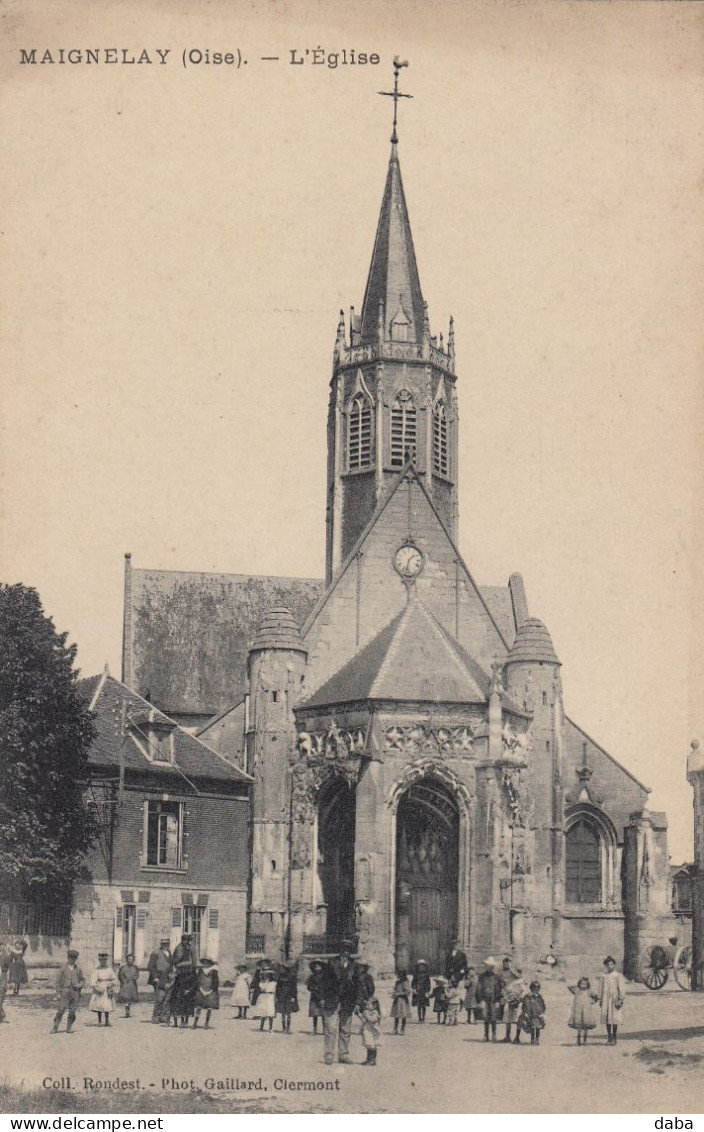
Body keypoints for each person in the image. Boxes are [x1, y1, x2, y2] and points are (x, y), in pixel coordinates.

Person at [321, 939, 363, 1065]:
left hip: (348, 1001)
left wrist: (358, 1002)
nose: (345, 952)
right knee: (330, 1028)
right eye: (343, 949)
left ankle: (343, 1055)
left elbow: (359, 985)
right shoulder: (331, 963)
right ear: (339, 950)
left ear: (351, 952)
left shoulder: (355, 966)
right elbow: (324, 982)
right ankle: (329, 1055)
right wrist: (323, 998)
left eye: (348, 950)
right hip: (332, 1000)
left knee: (345, 1029)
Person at [52, 949, 85, 1034]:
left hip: (75, 992)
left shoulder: (78, 969)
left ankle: (69, 1027)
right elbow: (58, 981)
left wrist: (80, 985)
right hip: (65, 991)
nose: (72, 960)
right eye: (71, 958)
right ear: (68, 958)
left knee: (72, 1010)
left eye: (74, 958)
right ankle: (55, 1026)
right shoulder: (63, 968)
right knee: (61, 1009)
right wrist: (58, 993)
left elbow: (82, 979)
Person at [355, 959, 380, 1066]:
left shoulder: (368, 977)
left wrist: (368, 1000)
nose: (360, 968)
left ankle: (372, 1059)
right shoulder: (356, 977)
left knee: (370, 1034)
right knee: (364, 1022)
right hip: (359, 1000)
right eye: (359, 966)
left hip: (366, 1000)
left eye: (362, 966)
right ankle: (369, 1058)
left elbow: (371, 989)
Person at [597, 955, 626, 1046]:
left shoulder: (617, 975)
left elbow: (621, 988)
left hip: (614, 999)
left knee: (614, 1018)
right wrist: (600, 998)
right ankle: (609, 1037)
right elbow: (600, 988)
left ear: (614, 965)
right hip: (606, 999)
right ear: (605, 965)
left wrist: (620, 999)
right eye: (608, 965)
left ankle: (614, 1038)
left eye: (612, 964)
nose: (610, 966)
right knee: (607, 1019)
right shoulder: (603, 976)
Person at [170, 935, 197, 1028]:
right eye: (187, 940)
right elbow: (176, 962)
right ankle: (181, 1020)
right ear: (183, 940)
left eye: (189, 940)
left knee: (188, 999)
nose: (188, 942)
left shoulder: (187, 948)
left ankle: (186, 1021)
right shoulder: (180, 949)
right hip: (181, 976)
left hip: (188, 974)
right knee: (180, 999)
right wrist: (188, 964)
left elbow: (193, 961)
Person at [147, 938, 174, 1024]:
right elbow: (150, 966)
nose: (166, 945)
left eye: (167, 943)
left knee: (167, 998)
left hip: (167, 977)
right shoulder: (155, 953)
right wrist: (155, 977)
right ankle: (155, 1017)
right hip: (159, 977)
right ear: (161, 944)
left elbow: (171, 966)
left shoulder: (169, 953)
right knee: (159, 998)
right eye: (164, 944)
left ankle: (164, 1016)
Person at [476, 957, 503, 1042]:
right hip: (485, 1000)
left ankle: (494, 1035)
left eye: (491, 966)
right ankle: (486, 1035)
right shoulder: (482, 977)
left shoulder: (496, 977)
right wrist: (480, 1000)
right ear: (486, 966)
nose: (490, 968)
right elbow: (478, 989)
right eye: (488, 966)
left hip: (493, 1000)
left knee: (493, 1018)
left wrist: (498, 1000)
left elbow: (499, 989)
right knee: (486, 1018)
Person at [501, 963, 528, 1043]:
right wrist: (507, 997)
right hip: (509, 1002)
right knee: (507, 1019)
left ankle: (517, 1037)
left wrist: (519, 999)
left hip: (518, 1003)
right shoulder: (509, 980)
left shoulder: (522, 981)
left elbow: (524, 992)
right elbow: (506, 990)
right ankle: (507, 1036)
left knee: (518, 1020)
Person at [89, 952, 118, 1026]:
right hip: (100, 987)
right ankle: (99, 1020)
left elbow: (114, 979)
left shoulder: (109, 969)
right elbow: (93, 980)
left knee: (107, 1004)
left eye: (105, 960)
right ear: (99, 960)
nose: (103, 962)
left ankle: (107, 1021)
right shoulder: (96, 970)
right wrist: (97, 987)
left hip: (108, 988)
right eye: (102, 960)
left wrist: (111, 983)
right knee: (99, 1005)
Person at [568, 976, 597, 1045]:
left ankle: (585, 1040)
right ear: (579, 984)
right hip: (578, 1011)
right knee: (579, 1026)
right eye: (581, 984)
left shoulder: (589, 992)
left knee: (586, 1026)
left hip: (586, 1011)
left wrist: (593, 1001)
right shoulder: (577, 991)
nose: (583, 985)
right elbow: (569, 987)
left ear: (588, 985)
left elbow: (596, 997)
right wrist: (577, 985)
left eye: (585, 984)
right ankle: (578, 1040)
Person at [193, 957, 219, 1029]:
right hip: (201, 990)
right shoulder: (201, 971)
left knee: (209, 1008)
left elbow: (216, 982)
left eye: (207, 962)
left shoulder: (214, 972)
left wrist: (210, 991)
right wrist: (201, 990)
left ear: (210, 963)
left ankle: (206, 1023)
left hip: (210, 991)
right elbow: (197, 981)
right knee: (198, 1007)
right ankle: (195, 1022)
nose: (206, 964)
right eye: (204, 962)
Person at [519, 980, 546, 1046]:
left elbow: (543, 1005)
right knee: (532, 1027)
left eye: (537, 989)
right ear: (531, 988)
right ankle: (532, 1040)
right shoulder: (528, 996)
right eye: (534, 989)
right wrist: (525, 1012)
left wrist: (542, 1012)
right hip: (531, 1015)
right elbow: (525, 1005)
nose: (536, 990)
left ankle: (537, 1040)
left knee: (538, 1028)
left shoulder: (539, 997)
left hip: (538, 1015)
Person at [0, 940, 23, 1021]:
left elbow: (10, 968)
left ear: (3, 947)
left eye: (1, 946)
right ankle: (1, 1014)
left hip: (2, 977)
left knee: (1, 995)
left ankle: (1, 1014)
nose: (0, 947)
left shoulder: (6, 956)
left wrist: (12, 980)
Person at [275, 961, 299, 1034]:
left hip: (289, 996)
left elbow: (294, 988)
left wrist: (293, 996)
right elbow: (278, 988)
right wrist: (277, 996)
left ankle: (288, 1028)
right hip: (282, 996)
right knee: (282, 1013)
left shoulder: (292, 977)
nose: (283, 970)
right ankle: (283, 1028)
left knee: (288, 1013)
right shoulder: (280, 977)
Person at [306, 959, 327, 1033]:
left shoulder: (325, 976)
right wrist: (313, 988)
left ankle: (324, 1029)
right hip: (314, 997)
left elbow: (327, 986)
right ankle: (314, 1029)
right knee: (315, 1014)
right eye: (316, 967)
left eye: (319, 966)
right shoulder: (312, 977)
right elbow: (308, 986)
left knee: (323, 1013)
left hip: (323, 997)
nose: (317, 968)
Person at [117, 952, 140, 1018]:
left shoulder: (135, 967)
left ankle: (128, 1009)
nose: (130, 960)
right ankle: (127, 1010)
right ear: (127, 960)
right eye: (129, 959)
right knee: (126, 998)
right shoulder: (123, 967)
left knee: (130, 998)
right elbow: (120, 975)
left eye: (131, 959)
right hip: (125, 985)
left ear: (133, 960)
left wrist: (135, 977)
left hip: (132, 985)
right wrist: (123, 980)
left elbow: (137, 974)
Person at [254, 967, 277, 1031]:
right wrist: (265, 982)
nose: (266, 976)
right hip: (263, 996)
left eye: (268, 975)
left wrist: (275, 999)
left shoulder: (274, 983)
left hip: (270, 997)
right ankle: (261, 1027)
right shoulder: (261, 983)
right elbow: (263, 989)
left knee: (270, 1011)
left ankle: (270, 1028)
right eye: (265, 975)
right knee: (263, 1011)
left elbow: (275, 991)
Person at [390, 969, 411, 1034]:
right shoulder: (397, 982)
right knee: (396, 1015)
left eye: (399, 974)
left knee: (403, 1015)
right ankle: (395, 1028)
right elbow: (396, 989)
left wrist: (398, 994)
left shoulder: (405, 982)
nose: (398, 976)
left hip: (403, 1001)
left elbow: (407, 992)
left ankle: (402, 1029)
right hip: (397, 1001)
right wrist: (393, 993)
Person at [411, 959, 431, 1023]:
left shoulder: (426, 975)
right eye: (420, 966)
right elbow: (413, 983)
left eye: (422, 965)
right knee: (419, 1006)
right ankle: (420, 1018)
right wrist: (414, 989)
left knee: (424, 1005)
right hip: (418, 990)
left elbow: (428, 984)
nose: (421, 967)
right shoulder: (416, 975)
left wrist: (427, 991)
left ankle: (423, 1018)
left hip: (424, 991)